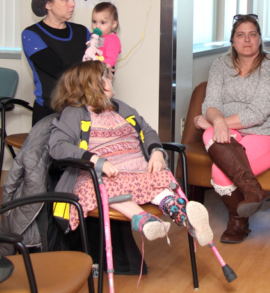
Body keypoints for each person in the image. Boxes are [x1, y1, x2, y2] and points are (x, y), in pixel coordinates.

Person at [49, 61, 213, 246]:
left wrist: (157, 152)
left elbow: (147, 131)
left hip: (139, 172)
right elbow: (58, 146)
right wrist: (95, 160)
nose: (111, 78)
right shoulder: (75, 113)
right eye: (105, 76)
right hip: (104, 175)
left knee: (161, 182)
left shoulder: (121, 107)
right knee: (100, 188)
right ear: (91, 85)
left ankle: (187, 218)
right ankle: (142, 219)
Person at [194, 14, 270, 244]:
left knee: (219, 172)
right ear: (232, 40)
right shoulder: (221, 64)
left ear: (260, 40)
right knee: (211, 134)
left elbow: (257, 114)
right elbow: (210, 104)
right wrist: (215, 122)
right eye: (241, 35)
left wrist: (214, 122)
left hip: (269, 133)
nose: (247, 40)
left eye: (252, 35)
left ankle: (237, 219)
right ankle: (252, 195)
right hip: (235, 131)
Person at [22, 0, 90, 125]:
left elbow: (100, 65)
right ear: (48, 4)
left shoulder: (82, 32)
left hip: (83, 110)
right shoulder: (31, 35)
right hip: (50, 113)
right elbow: (61, 72)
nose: (72, 4)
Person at [84, 2, 122, 68]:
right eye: (94, 22)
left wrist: (101, 68)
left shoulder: (112, 40)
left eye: (102, 22)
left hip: (100, 71)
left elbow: (111, 60)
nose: (97, 26)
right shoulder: (92, 36)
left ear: (113, 24)